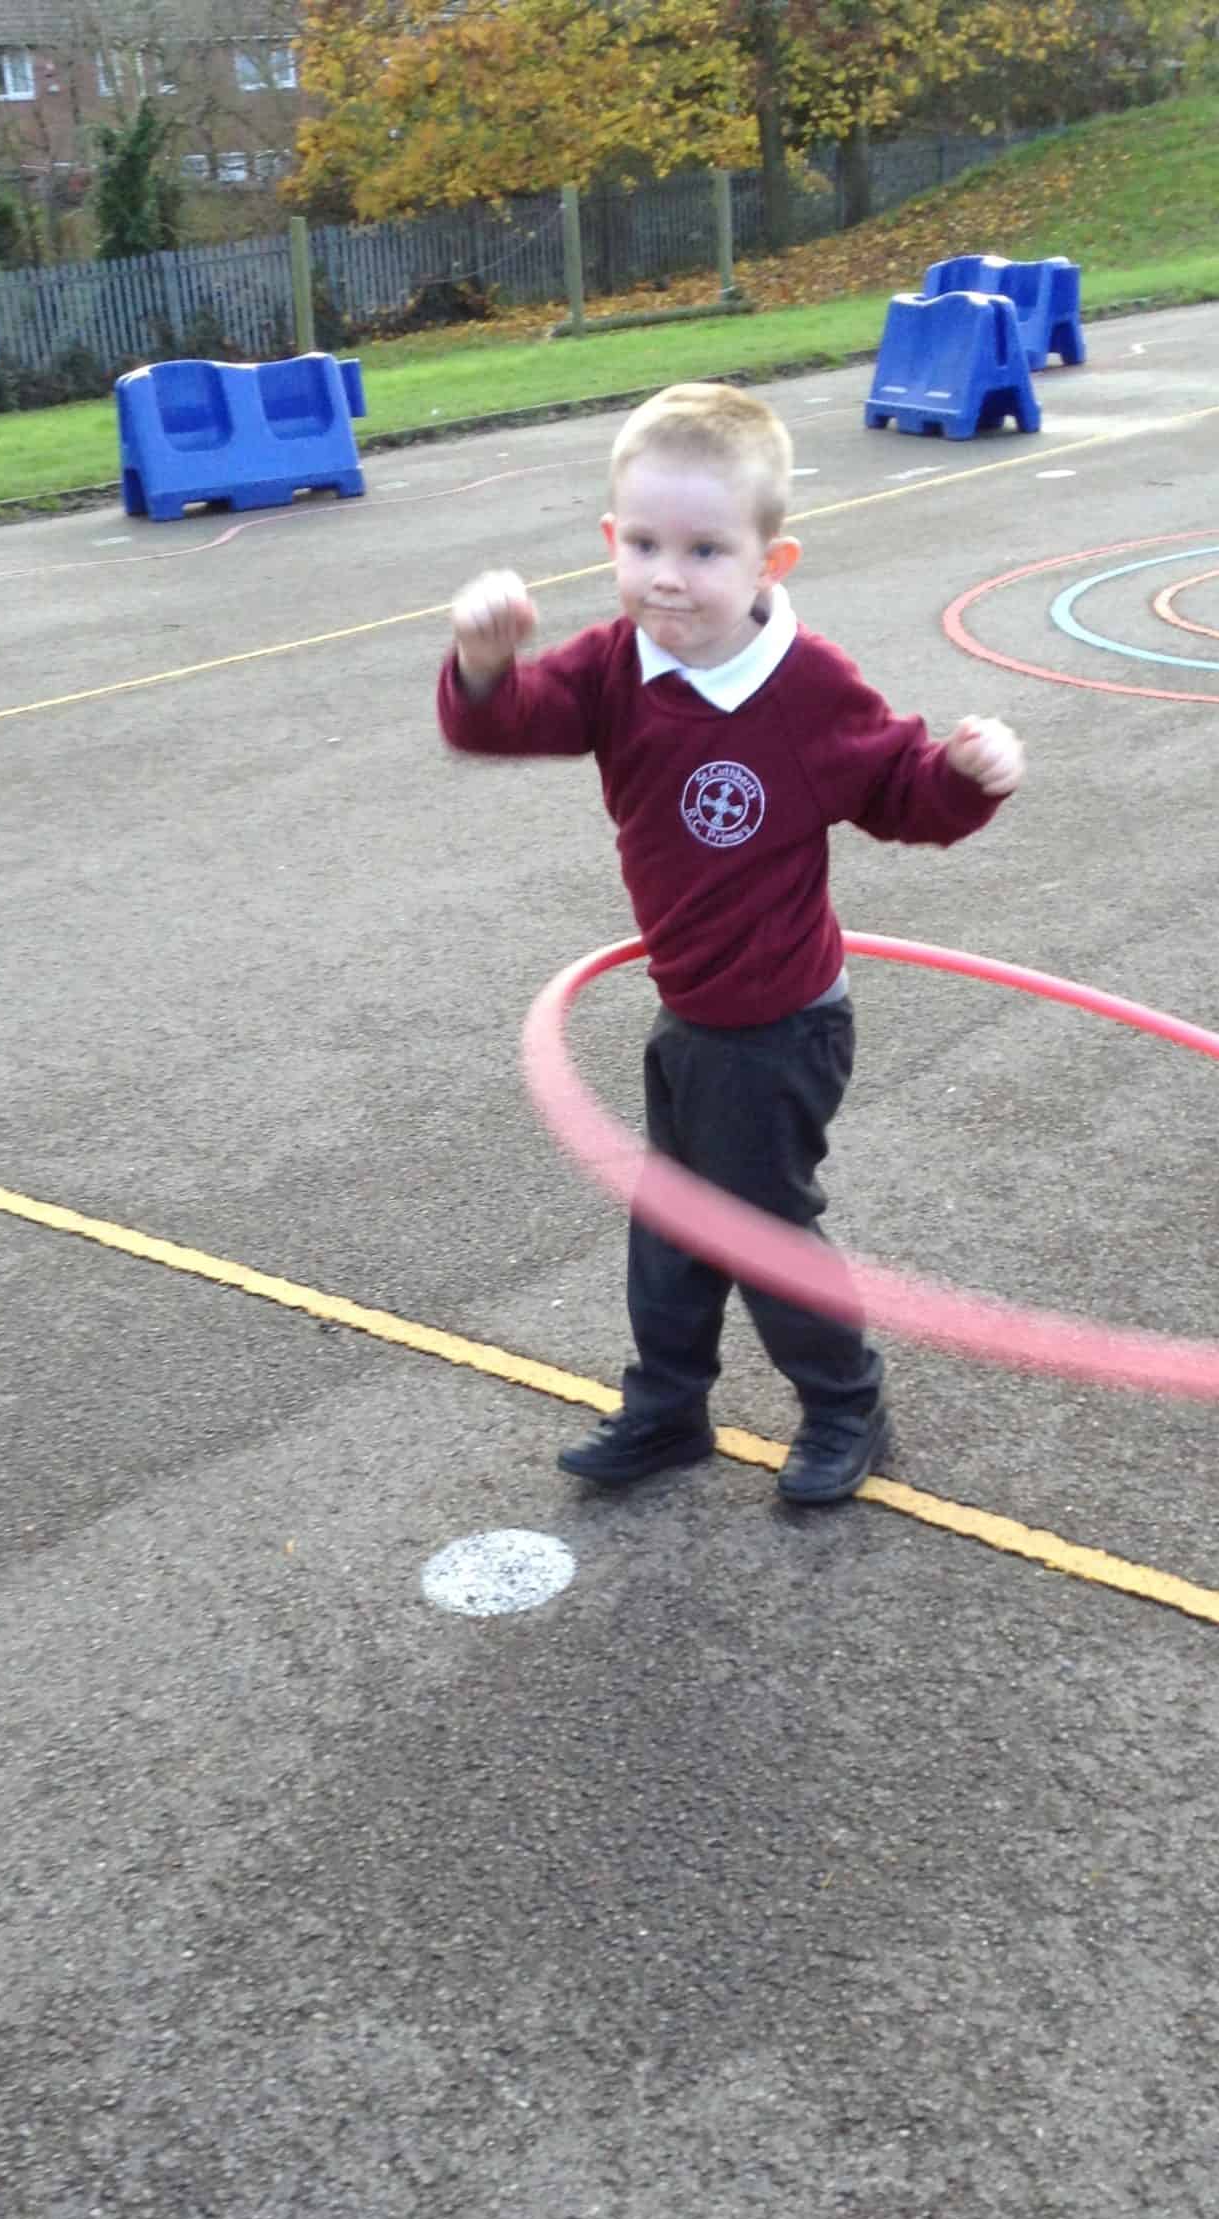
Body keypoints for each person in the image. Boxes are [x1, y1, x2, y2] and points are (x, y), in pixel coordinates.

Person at [437, 381, 1025, 1505]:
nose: (669, 575)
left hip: (782, 1027)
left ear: (770, 562)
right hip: (691, 1014)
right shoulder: (616, 665)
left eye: (705, 550)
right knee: (671, 1229)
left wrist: (964, 775)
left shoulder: (806, 690)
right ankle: (668, 1411)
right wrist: (481, 663)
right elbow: (505, 720)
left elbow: (901, 793)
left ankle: (847, 1407)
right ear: (612, 541)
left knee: (760, 1231)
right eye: (644, 545)